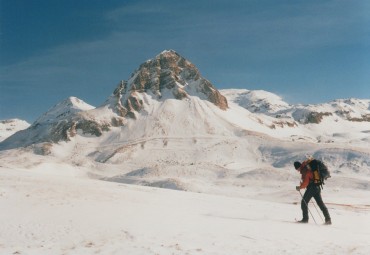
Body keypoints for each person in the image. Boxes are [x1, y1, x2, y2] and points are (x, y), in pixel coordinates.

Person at [294, 159, 332, 225]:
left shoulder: (305, 171)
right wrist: (301, 185)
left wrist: (299, 187)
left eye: (297, 169)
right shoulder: (307, 169)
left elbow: (305, 183)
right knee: (320, 204)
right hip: (317, 187)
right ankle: (328, 220)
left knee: (304, 202)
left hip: (312, 188)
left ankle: (305, 219)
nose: (297, 171)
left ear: (299, 167)